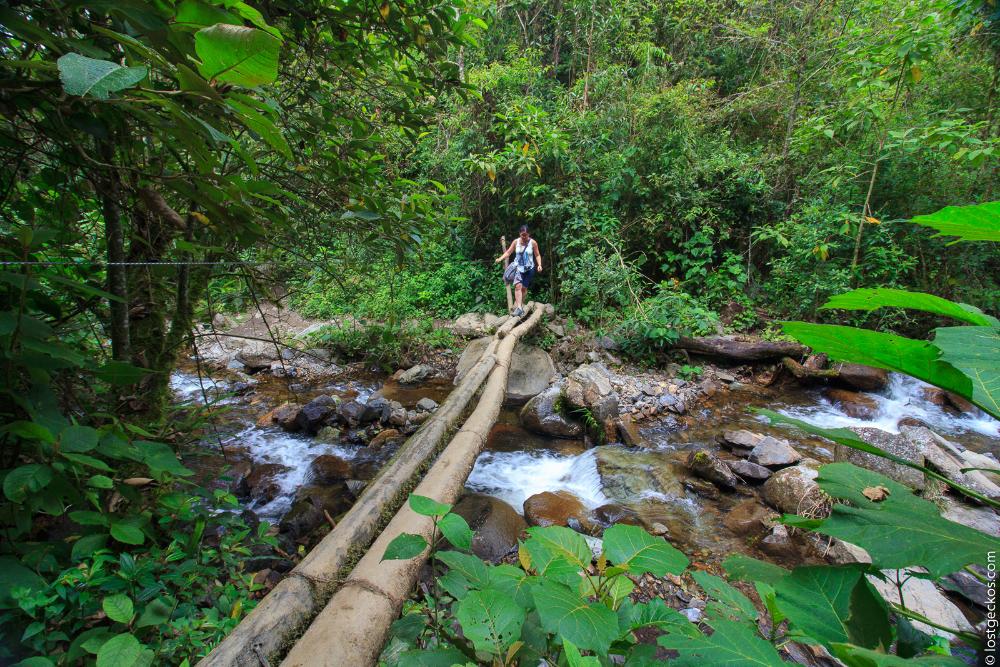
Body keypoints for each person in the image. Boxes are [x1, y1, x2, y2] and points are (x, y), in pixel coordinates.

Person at [495, 225, 542, 317]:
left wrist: (539, 265)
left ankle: (520, 304)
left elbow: (537, 255)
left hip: (529, 269)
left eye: (526, 235)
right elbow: (508, 252)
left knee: (524, 289)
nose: (524, 237)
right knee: (518, 287)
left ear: (529, 234)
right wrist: (500, 259)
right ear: (519, 234)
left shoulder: (533, 243)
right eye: (522, 235)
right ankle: (519, 308)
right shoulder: (516, 242)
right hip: (518, 268)